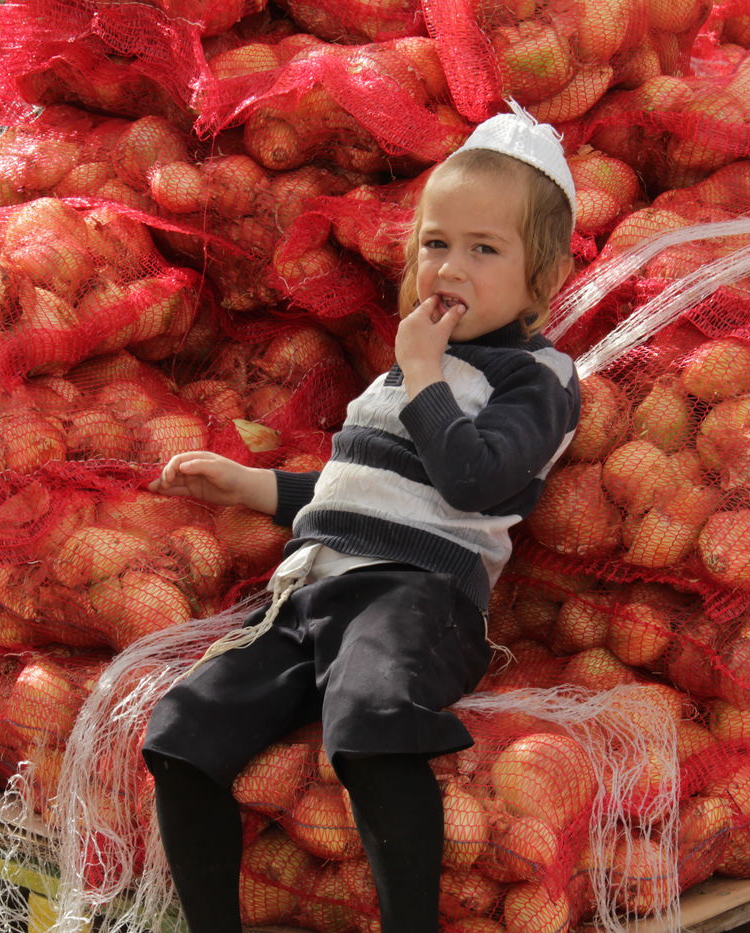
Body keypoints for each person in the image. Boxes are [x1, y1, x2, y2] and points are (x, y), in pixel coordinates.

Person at [139, 109, 582, 933]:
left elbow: (472, 479)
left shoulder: (536, 378)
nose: (451, 267)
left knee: (371, 721)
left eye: (485, 250)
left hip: (418, 598)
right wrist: (252, 486)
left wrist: (423, 374)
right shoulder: (404, 375)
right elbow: (361, 491)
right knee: (183, 729)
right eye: (435, 243)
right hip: (310, 591)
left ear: (543, 277)